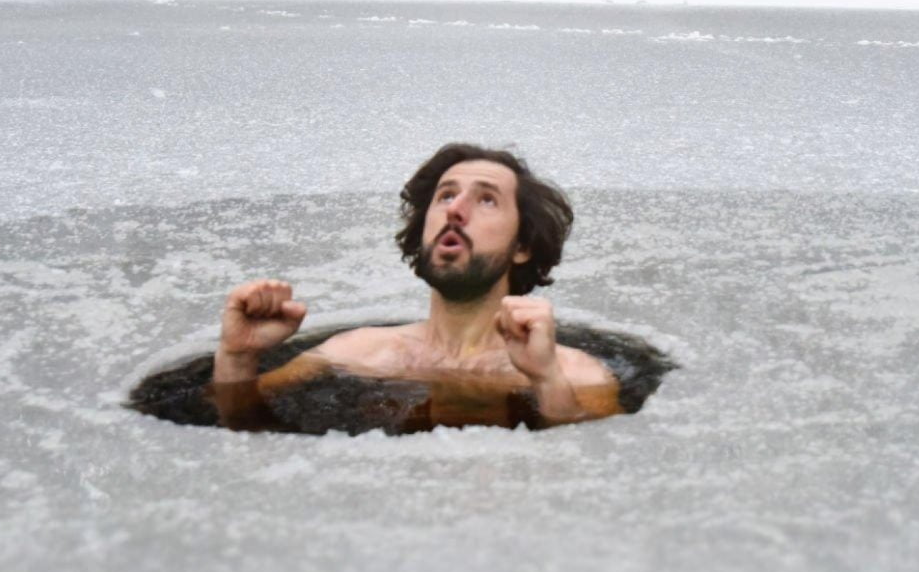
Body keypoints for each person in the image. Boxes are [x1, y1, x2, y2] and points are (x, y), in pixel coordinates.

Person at [210, 143, 620, 430]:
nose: (455, 211)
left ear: (523, 246)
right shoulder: (356, 352)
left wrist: (546, 382)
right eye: (445, 196)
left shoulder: (576, 374)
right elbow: (240, 428)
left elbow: (586, 470)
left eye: (487, 200)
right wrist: (238, 356)